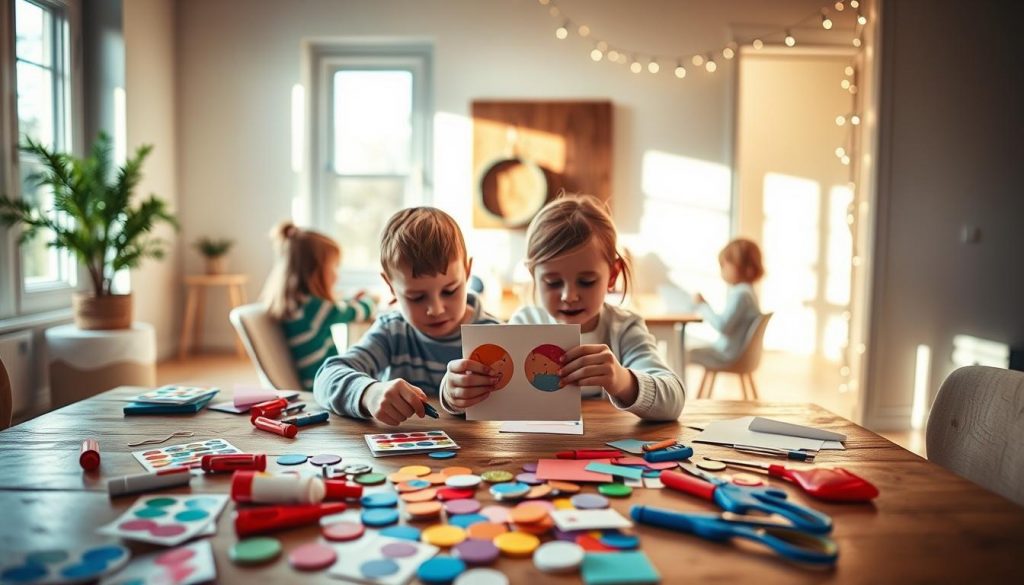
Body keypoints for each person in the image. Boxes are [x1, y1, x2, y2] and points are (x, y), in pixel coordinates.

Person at [441, 194, 685, 421]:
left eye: (586, 281)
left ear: (612, 275)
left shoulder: (624, 329)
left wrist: (622, 380)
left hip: (608, 451)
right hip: (538, 451)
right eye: (553, 282)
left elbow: (673, 400)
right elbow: (487, 396)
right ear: (533, 276)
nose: (570, 296)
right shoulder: (524, 324)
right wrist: (454, 394)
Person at [313, 207, 501, 426]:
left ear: (467, 272)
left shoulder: (491, 336)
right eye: (416, 297)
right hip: (398, 455)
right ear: (391, 286)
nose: (436, 309)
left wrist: (454, 399)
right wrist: (369, 393)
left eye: (450, 291)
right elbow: (326, 377)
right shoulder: (392, 331)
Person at [261, 221, 375, 391]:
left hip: (316, 381)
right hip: (325, 384)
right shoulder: (318, 308)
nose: (337, 274)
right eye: (335, 266)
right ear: (315, 271)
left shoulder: (297, 304)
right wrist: (370, 299)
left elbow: (336, 309)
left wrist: (350, 300)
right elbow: (360, 311)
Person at [690, 238, 765, 368]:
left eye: (724, 266)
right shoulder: (749, 291)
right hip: (734, 353)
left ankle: (674, 388)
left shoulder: (741, 295)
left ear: (741, 266)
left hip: (727, 355)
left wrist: (703, 305)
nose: (722, 271)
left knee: (682, 351)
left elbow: (723, 326)